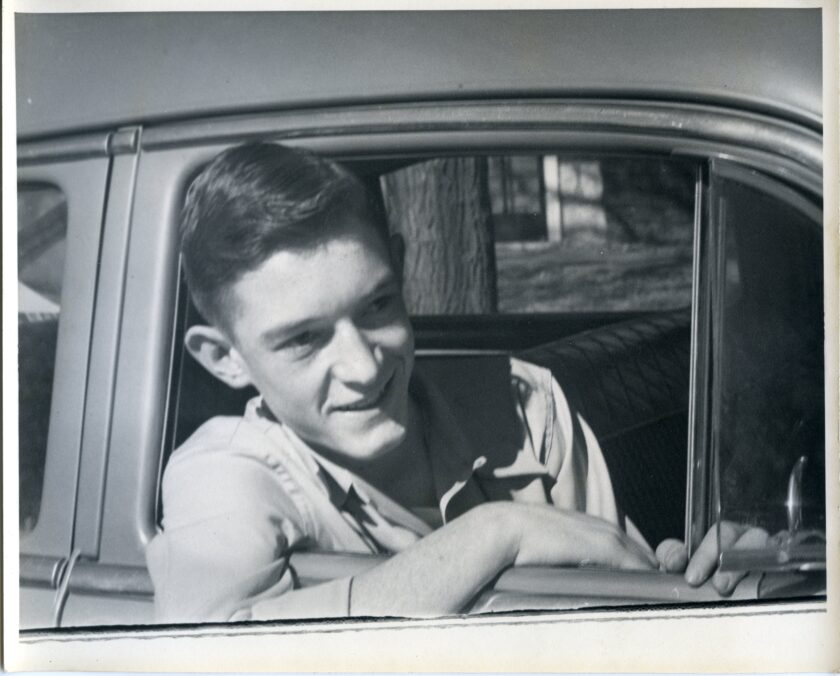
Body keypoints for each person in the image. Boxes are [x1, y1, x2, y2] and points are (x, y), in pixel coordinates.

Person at [146, 142, 764, 623]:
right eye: (304, 339)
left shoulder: (526, 403)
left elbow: (631, 599)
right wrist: (497, 531)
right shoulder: (224, 472)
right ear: (224, 358)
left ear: (401, 265)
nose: (364, 366)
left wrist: (716, 579)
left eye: (378, 306)